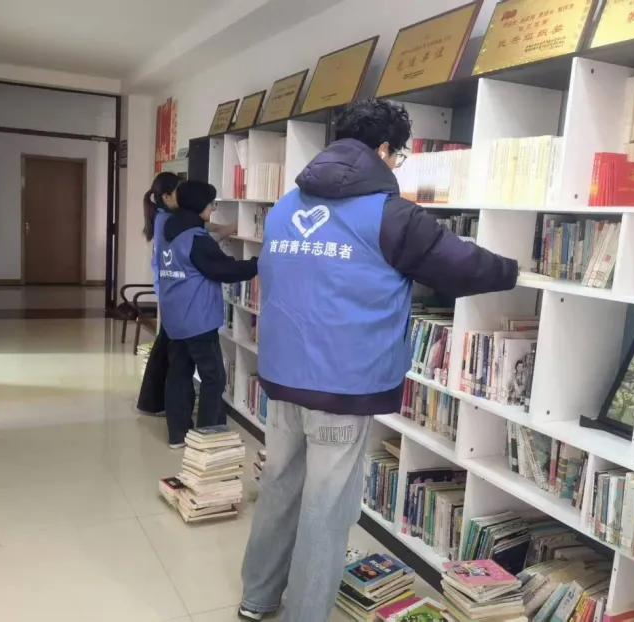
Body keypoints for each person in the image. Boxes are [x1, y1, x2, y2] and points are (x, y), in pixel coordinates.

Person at [238, 100, 519, 622]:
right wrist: (515, 269)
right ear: (385, 149)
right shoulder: (392, 215)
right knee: (325, 510)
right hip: (343, 387)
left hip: (281, 375)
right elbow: (459, 266)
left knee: (278, 485)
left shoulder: (285, 205)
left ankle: (257, 599)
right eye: (399, 155)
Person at [158, 181, 257, 448]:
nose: (213, 209)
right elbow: (224, 270)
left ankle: (178, 435)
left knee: (178, 374)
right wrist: (258, 263)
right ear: (199, 205)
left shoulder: (169, 231)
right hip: (197, 320)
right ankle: (208, 438)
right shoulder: (197, 239)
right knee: (213, 378)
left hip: (173, 318)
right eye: (211, 204)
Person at [135, 172, 181, 416]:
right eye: (179, 191)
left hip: (166, 288)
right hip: (169, 289)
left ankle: (151, 401)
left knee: (164, 343)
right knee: (165, 346)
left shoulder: (163, 217)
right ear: (166, 196)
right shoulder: (167, 220)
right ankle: (153, 401)